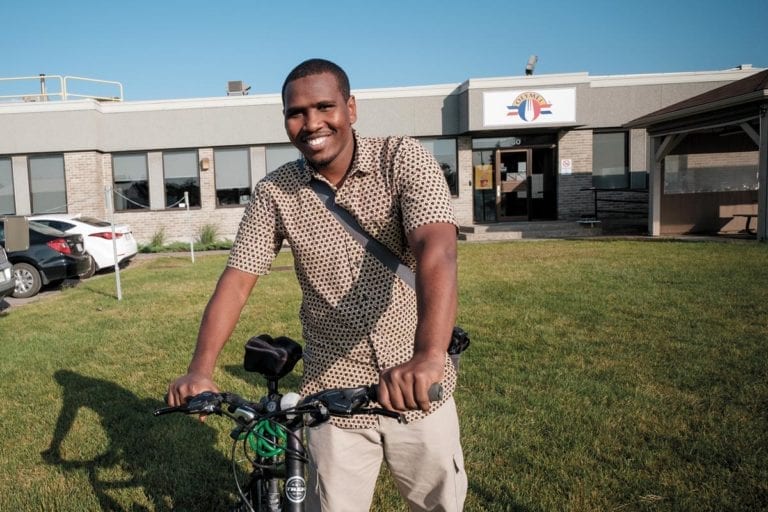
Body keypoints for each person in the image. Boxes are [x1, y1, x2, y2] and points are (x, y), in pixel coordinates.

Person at [166, 58, 467, 511]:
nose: (311, 123)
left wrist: (427, 357)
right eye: (296, 112)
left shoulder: (402, 157)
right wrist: (200, 369)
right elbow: (237, 279)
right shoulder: (275, 191)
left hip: (417, 385)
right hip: (330, 394)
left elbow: (436, 249)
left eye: (325, 107)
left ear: (351, 107)